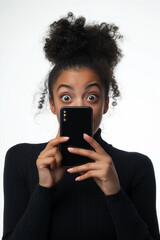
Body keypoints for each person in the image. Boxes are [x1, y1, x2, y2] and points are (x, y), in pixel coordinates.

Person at [1, 12, 160, 240]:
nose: (78, 106)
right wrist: (44, 189)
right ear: (53, 105)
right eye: (66, 98)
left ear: (105, 104)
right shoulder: (20, 159)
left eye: (91, 97)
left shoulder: (137, 167)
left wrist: (114, 192)